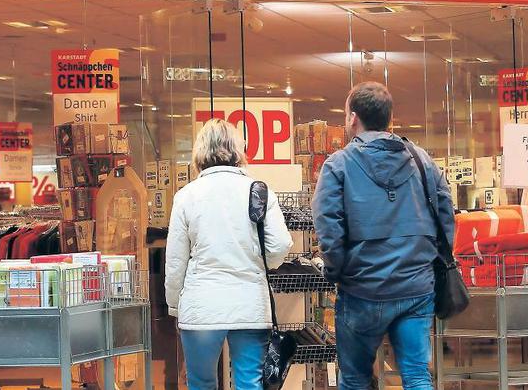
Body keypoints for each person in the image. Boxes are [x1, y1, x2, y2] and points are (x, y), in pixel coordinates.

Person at [312, 82, 455, 390]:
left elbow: (328, 226)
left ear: (352, 118)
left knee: (354, 378)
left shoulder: (338, 165)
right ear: (391, 117)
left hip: (362, 289)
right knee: (417, 376)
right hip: (416, 287)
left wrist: (339, 271)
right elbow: (446, 215)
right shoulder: (422, 161)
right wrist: (432, 262)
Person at [165, 119, 293, 390]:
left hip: (201, 308)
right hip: (249, 304)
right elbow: (280, 245)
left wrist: (176, 306)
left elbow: (176, 261)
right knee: (249, 382)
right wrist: (261, 264)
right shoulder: (258, 190)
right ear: (237, 149)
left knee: (201, 383)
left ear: (199, 151)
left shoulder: (186, 196)